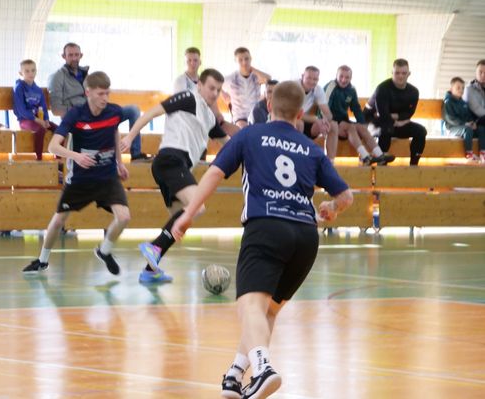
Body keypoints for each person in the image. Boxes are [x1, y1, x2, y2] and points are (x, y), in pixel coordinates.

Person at [170, 80, 353, 399]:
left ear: (269, 106)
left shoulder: (249, 135)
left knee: (249, 306)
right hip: (305, 237)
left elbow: (214, 173)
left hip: (266, 226)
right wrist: (332, 208)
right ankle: (235, 374)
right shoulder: (312, 149)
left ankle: (263, 368)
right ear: (300, 114)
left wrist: (187, 214)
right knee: (266, 312)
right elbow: (346, 196)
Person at [121, 69, 235, 284]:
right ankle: (153, 247)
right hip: (170, 160)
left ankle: (149, 271)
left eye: (219, 90)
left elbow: (229, 145)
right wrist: (130, 137)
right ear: (199, 85)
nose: (214, 93)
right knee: (197, 207)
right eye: (211, 88)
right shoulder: (188, 97)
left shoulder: (209, 117)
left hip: (178, 166)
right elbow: (151, 113)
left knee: (180, 223)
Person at [22, 71, 131, 276]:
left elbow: (115, 131)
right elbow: (53, 146)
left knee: (124, 217)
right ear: (88, 92)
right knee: (58, 221)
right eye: (100, 94)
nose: (105, 98)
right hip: (81, 179)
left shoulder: (114, 112)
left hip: (107, 178)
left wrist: (119, 162)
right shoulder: (76, 114)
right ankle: (42, 261)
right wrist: (76, 156)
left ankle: (104, 251)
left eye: (107, 93)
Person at [48, 42, 151, 162]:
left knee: (133, 110)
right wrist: (76, 111)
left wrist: (100, 103)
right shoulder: (57, 77)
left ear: (81, 55)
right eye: (70, 55)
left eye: (76, 55)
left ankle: (136, 155)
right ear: (63, 56)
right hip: (79, 119)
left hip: (99, 113)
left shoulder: (86, 75)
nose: (74, 58)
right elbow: (56, 109)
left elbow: (97, 95)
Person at [324, 65, 395, 166]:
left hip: (344, 121)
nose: (343, 80)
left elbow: (356, 108)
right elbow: (324, 107)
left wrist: (362, 123)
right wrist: (328, 123)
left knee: (362, 127)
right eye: (341, 76)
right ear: (336, 76)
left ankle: (379, 155)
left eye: (347, 77)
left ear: (351, 78)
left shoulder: (352, 89)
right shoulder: (331, 87)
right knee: (351, 127)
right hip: (331, 122)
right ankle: (365, 157)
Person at [363, 58, 427, 165]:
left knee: (421, 131)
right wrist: (397, 121)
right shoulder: (382, 88)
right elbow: (383, 115)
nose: (400, 76)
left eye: (404, 73)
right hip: (372, 121)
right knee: (386, 128)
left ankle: (414, 165)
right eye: (397, 73)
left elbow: (409, 114)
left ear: (409, 74)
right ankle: (381, 163)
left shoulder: (413, 91)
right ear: (392, 73)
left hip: (396, 122)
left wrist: (397, 119)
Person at [12, 59, 57, 160]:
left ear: (36, 71)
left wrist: (46, 120)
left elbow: (43, 107)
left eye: (33, 70)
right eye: (27, 71)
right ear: (21, 73)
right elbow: (21, 110)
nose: (30, 73)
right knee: (40, 129)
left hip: (39, 119)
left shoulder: (38, 90)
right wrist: (37, 120)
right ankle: (39, 158)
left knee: (58, 130)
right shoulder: (19, 88)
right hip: (25, 120)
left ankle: (58, 158)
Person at [222, 47, 271, 128]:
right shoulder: (231, 78)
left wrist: (253, 69)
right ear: (236, 61)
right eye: (240, 60)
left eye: (246, 59)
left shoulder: (256, 76)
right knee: (245, 129)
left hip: (256, 113)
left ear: (251, 59)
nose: (244, 62)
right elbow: (215, 82)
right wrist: (222, 93)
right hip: (240, 117)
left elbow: (268, 79)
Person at [298, 66, 339, 162]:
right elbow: (294, 114)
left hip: (309, 124)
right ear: (302, 76)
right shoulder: (294, 86)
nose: (312, 81)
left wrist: (324, 122)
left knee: (333, 125)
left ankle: (330, 163)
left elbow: (329, 115)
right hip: (292, 122)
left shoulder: (318, 90)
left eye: (315, 79)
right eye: (309, 78)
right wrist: (316, 119)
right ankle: (297, 160)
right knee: (299, 123)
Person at [443, 77, 483, 162]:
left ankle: (483, 153)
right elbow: (450, 119)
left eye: (463, 88)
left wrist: (473, 123)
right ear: (451, 89)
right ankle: (469, 154)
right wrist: (465, 124)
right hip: (451, 128)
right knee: (467, 129)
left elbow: (468, 116)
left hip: (464, 127)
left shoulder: (463, 103)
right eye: (458, 88)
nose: (461, 90)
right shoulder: (448, 102)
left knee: (481, 129)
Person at [462, 59, 485, 163]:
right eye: (480, 72)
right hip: (474, 124)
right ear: (475, 72)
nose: (483, 75)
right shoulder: (469, 89)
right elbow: (478, 110)